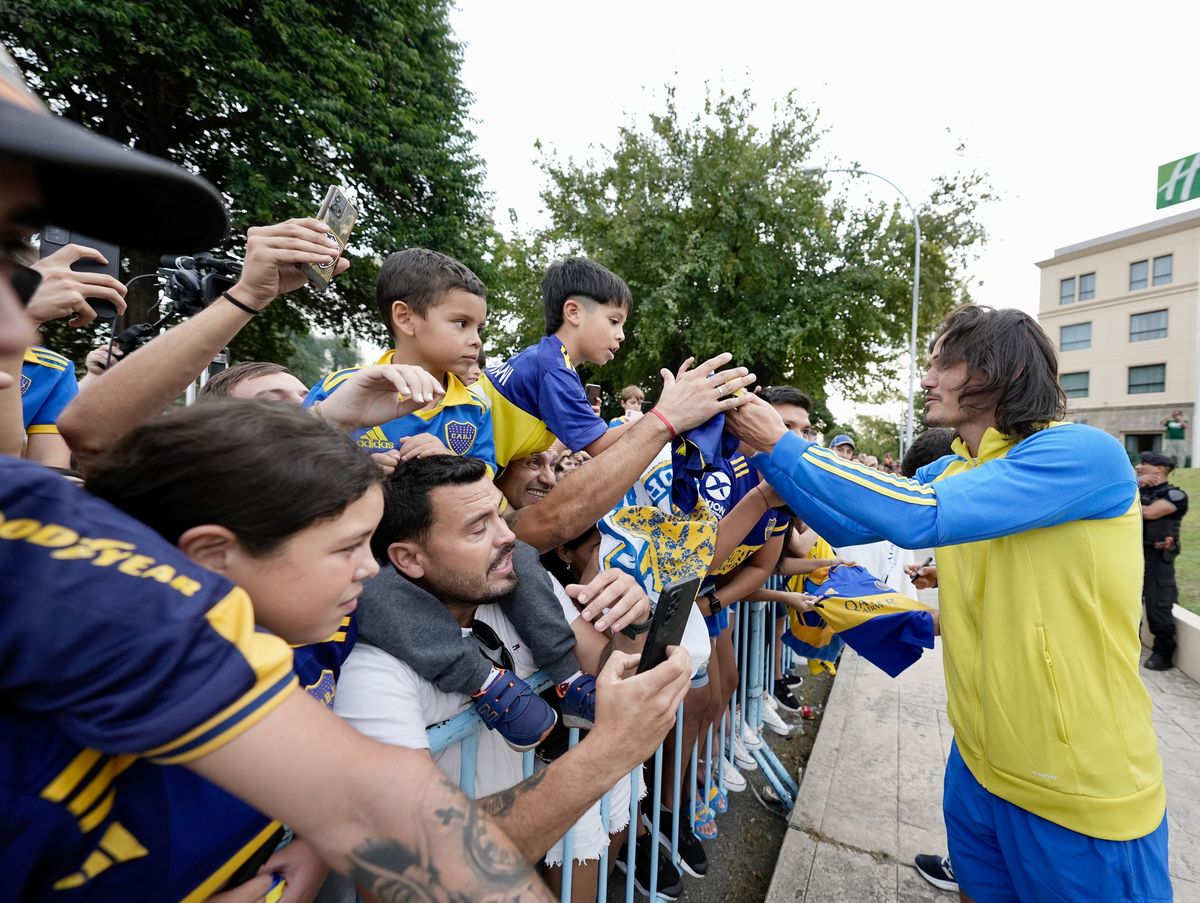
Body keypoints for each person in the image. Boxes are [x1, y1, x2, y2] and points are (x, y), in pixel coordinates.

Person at [0, 46, 686, 900]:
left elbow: (375, 811)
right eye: (347, 545)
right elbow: (96, 438)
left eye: (13, 251)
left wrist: (613, 597)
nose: (15, 328)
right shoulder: (331, 638)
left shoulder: (50, 550)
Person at [728, 304, 1170, 903]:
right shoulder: (954, 466)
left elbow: (917, 515)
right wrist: (758, 450)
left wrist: (783, 443)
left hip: (1079, 789)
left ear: (1006, 372)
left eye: (945, 364)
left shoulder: (1082, 454)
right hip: (978, 764)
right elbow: (848, 522)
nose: (927, 378)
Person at [329, 456, 677, 902]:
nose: (508, 535)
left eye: (498, 514)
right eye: (478, 529)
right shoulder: (373, 670)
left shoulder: (515, 588)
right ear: (409, 558)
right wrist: (606, 754)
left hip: (538, 851)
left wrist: (634, 624)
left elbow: (610, 671)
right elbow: (408, 859)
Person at [480, 257, 634, 468]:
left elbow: (554, 447)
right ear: (573, 312)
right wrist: (662, 415)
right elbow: (599, 446)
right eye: (614, 321)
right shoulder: (555, 370)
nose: (621, 335)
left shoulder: (542, 357)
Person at [1137, 450, 1188, 671]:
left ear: (1159, 468)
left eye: (1144, 463)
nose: (1138, 467)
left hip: (1158, 559)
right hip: (1134, 555)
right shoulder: (1137, 491)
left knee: (1158, 605)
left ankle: (1163, 653)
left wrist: (1130, 492)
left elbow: (1148, 513)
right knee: (1128, 605)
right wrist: (1136, 486)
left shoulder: (1175, 495)